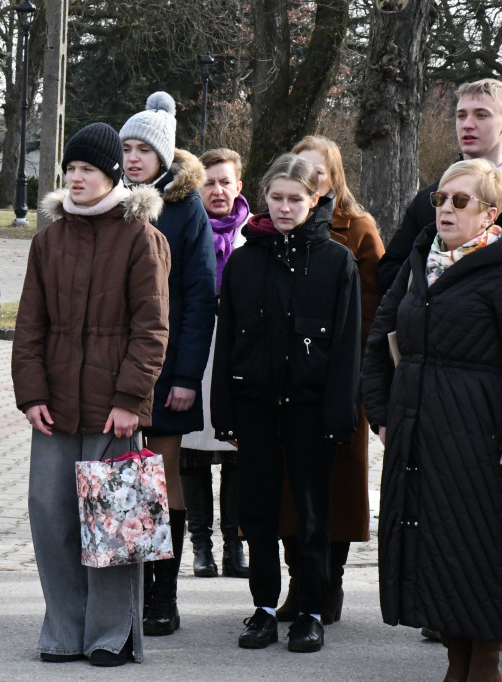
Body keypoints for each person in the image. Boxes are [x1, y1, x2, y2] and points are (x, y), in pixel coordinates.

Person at [363, 158, 502, 681]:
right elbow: (379, 341)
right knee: (437, 555)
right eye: (439, 200)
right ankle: (456, 665)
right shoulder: (420, 260)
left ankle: (484, 667)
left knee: (483, 558)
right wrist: (382, 413)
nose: (446, 210)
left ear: (490, 214)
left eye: (460, 201)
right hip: (420, 436)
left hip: (482, 440)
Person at [13, 122, 171, 666]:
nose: (76, 178)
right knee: (50, 515)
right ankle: (63, 628)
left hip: (113, 410)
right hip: (55, 407)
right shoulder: (48, 239)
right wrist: (31, 394)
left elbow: (152, 328)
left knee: (113, 520)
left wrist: (131, 399)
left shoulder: (142, 237)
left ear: (110, 177)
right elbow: (29, 327)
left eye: (87, 170)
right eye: (70, 169)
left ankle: (112, 634)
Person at [212, 153, 360, 653]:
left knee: (312, 513)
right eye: (275, 197)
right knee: (256, 511)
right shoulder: (244, 260)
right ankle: (264, 608)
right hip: (254, 405)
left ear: (314, 200)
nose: (284, 207)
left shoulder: (337, 261)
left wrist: (341, 414)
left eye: (295, 199)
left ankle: (311, 611)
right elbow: (227, 336)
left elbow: (346, 346)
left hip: (311, 410)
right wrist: (224, 410)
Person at [273, 135, 383, 624]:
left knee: (335, 491)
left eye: (318, 172)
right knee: (288, 492)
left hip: (341, 381)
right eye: (301, 168)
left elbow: (375, 309)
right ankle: (298, 581)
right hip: (286, 385)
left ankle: (329, 584)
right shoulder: (277, 229)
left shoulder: (356, 229)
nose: (309, 178)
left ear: (333, 178)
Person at [120, 92, 216, 637]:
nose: (133, 158)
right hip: (119, 369)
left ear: (164, 156)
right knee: (123, 478)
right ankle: (127, 588)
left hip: (169, 369)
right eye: (127, 148)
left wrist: (185, 376)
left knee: (162, 477)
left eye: (143, 150)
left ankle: (165, 594)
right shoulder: (113, 200)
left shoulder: (185, 208)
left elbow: (201, 294)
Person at [378, 78, 502, 293]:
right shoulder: (429, 199)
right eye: (461, 115)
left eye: (481, 115)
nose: (468, 124)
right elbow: (390, 270)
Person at [180, 147, 250, 580]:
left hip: (237, 352)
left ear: (239, 186)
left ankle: (234, 544)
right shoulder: (187, 230)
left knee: (236, 451)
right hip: (194, 348)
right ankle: (201, 545)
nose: (218, 190)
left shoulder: (253, 235)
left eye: (226, 181)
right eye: (209, 181)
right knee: (191, 450)